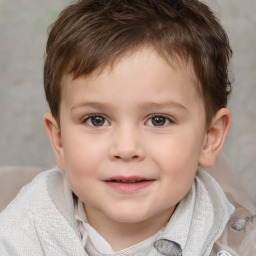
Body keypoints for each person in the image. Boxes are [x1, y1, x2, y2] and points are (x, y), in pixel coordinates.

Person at [0, 0, 255, 255]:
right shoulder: (17, 237)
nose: (126, 148)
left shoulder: (238, 244)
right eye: (96, 120)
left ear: (209, 138)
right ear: (59, 141)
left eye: (158, 120)